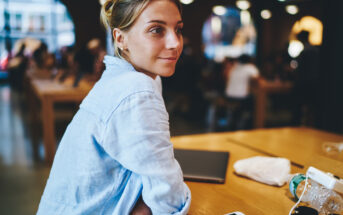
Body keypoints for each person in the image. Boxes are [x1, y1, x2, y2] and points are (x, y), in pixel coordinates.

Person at [37, 0, 191, 214]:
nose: (175, 43)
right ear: (120, 39)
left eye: (178, 29)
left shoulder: (128, 77)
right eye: (156, 30)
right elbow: (169, 199)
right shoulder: (136, 89)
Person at [224, 54, 259, 130]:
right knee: (255, 100)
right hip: (241, 98)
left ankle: (235, 119)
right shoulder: (250, 67)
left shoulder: (233, 67)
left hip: (228, 96)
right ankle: (249, 124)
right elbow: (257, 80)